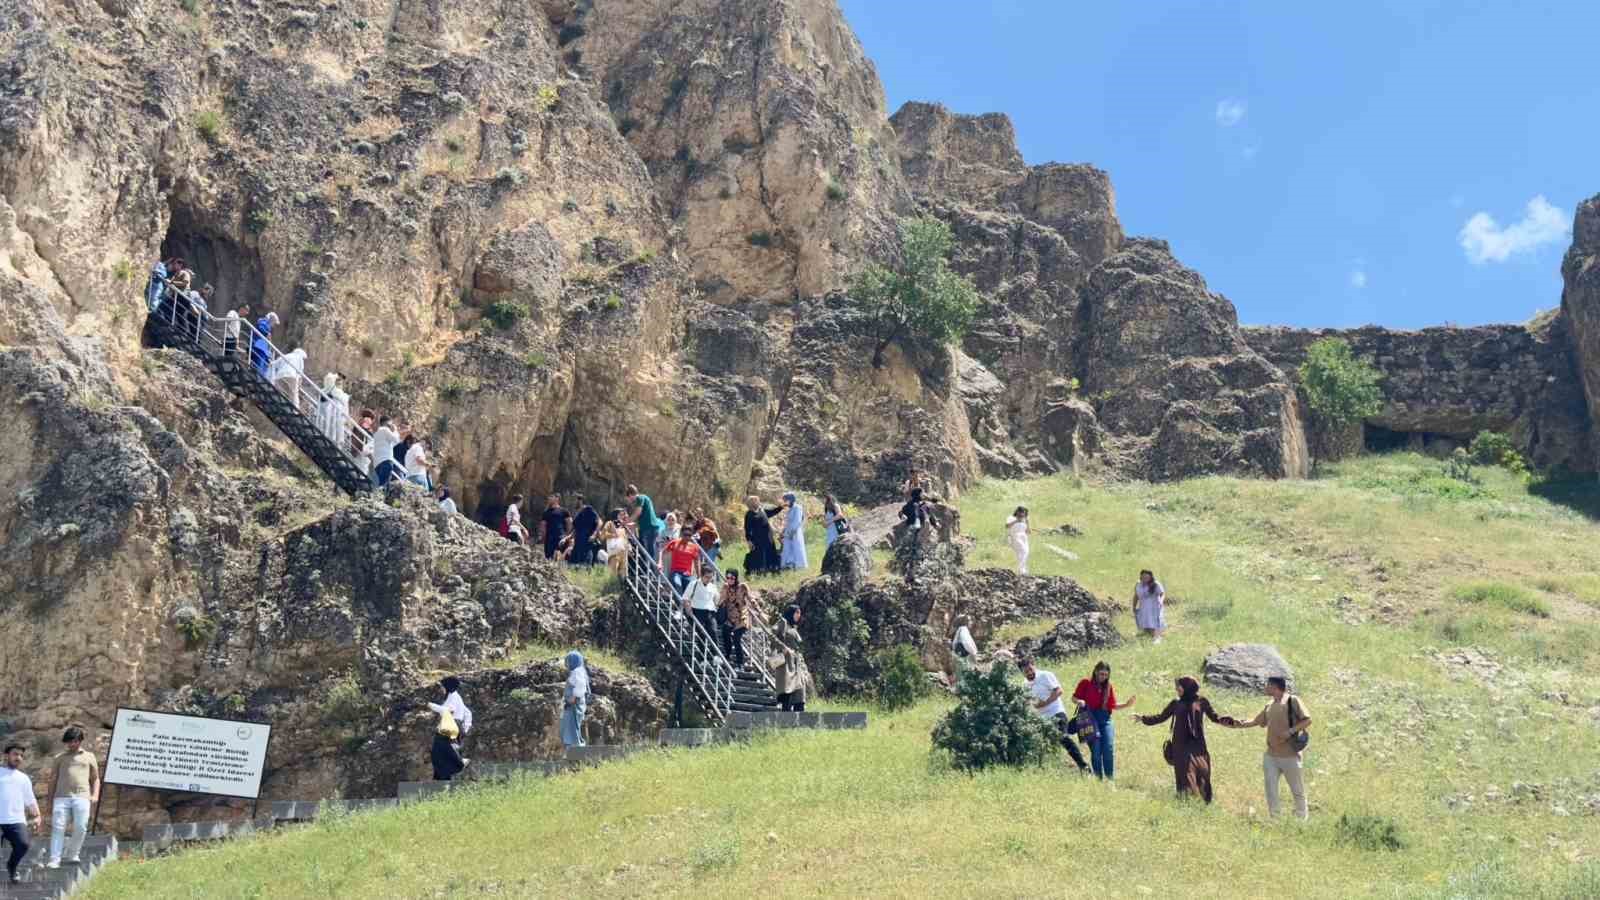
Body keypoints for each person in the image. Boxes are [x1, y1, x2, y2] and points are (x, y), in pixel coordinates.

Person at [1133, 676, 1239, 803]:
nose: (1177, 689)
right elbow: (1161, 717)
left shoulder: (1202, 701)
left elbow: (1214, 717)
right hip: (1181, 745)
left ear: (1188, 687)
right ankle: (1185, 802)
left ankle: (1204, 799)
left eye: (1179, 686)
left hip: (1197, 744)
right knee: (1184, 773)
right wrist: (1143, 719)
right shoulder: (1176, 703)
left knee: (1202, 770)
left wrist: (1226, 720)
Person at [1229, 675, 1313, 820]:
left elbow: (1308, 720)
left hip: (1290, 755)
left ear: (1275, 687)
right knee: (1271, 789)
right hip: (1271, 756)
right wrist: (1236, 723)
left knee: (1297, 790)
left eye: (1267, 685)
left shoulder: (1293, 701)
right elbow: (1256, 721)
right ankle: (1275, 819)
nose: (1265, 688)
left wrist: (1290, 732)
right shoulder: (1269, 705)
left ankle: (1301, 820)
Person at [1016, 656, 1090, 772]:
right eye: (1026, 671)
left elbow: (1059, 691)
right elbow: (1026, 700)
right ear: (1022, 672)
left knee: (1063, 738)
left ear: (1034, 665)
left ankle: (1084, 767)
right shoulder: (1025, 684)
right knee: (1039, 743)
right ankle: (1043, 769)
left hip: (1056, 713)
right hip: (1041, 719)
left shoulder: (1045, 675)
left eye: (1031, 669)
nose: (1029, 672)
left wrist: (1045, 703)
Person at [44, 724, 97, 869]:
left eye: (74, 741)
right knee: (58, 827)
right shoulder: (59, 758)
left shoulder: (89, 756)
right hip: (61, 797)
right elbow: (53, 780)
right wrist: (49, 802)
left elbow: (95, 779)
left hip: (82, 796)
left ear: (80, 741)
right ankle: (54, 859)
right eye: (69, 741)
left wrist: (95, 795)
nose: (71, 744)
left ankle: (73, 853)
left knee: (81, 827)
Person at [1072, 661, 1136, 780]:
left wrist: (1127, 704)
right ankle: (1098, 779)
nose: (1103, 677)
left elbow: (1112, 705)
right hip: (1090, 720)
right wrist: (1079, 701)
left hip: (1105, 719)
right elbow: (1074, 697)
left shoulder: (1108, 686)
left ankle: (1110, 779)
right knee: (1096, 752)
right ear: (1095, 671)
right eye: (1101, 674)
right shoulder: (1085, 683)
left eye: (1106, 674)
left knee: (1108, 748)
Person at [1, 743, 40, 884]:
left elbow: (30, 800)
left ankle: (12, 865)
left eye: (21, 756)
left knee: (23, 844)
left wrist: (37, 816)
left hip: (16, 820)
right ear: (6, 756)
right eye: (15, 754)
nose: (18, 758)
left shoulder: (23, 778)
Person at [771, 604, 807, 712]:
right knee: (787, 691)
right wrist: (783, 647)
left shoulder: (793, 627)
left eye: (800, 613)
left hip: (795, 664)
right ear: (791, 613)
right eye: (797, 612)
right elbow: (771, 634)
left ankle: (798, 721)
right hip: (786, 664)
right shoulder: (783, 622)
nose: (799, 615)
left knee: (800, 692)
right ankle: (785, 719)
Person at [681, 566, 721, 647]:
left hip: (710, 612)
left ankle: (716, 655)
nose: (709, 579)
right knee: (701, 633)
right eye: (707, 577)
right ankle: (701, 658)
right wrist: (689, 611)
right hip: (697, 611)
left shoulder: (713, 586)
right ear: (701, 575)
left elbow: (717, 600)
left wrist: (717, 606)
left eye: (711, 577)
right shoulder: (694, 584)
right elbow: (685, 598)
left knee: (713, 631)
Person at [742, 496, 782, 575]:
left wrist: (781, 507)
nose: (759, 502)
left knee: (770, 553)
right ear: (752, 503)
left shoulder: (762, 510)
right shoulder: (749, 514)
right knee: (759, 556)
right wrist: (749, 541)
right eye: (757, 501)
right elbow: (747, 529)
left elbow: (772, 512)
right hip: (758, 539)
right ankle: (759, 572)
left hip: (768, 537)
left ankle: (772, 570)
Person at [720, 570, 753, 667]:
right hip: (731, 617)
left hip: (742, 617)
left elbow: (751, 598)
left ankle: (740, 663)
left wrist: (759, 611)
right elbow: (721, 600)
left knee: (736, 638)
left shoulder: (742, 586)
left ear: (736, 578)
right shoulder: (725, 587)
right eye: (728, 578)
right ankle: (727, 655)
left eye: (732, 578)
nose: (730, 580)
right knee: (724, 632)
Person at [661, 525, 705, 596]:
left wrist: (699, 576)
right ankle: (680, 604)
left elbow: (697, 562)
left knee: (688, 592)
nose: (687, 537)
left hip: (687, 574)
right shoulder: (675, 542)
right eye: (685, 535)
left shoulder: (694, 547)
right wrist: (660, 563)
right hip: (675, 572)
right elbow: (662, 551)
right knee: (677, 584)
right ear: (681, 534)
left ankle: (680, 605)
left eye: (689, 535)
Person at [625, 485, 663, 561]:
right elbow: (642, 517)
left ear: (630, 495)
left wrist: (626, 522)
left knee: (649, 552)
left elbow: (638, 512)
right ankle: (648, 569)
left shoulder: (640, 498)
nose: (628, 501)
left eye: (628, 498)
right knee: (646, 551)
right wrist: (633, 524)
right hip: (647, 528)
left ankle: (651, 570)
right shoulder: (642, 500)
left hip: (650, 528)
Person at [561, 651, 590, 749]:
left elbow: (580, 686)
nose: (567, 664)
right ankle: (572, 749)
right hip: (571, 705)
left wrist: (573, 697)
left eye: (568, 661)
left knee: (572, 727)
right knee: (569, 727)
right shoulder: (576, 672)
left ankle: (576, 749)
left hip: (574, 705)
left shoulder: (577, 672)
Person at [1133, 569, 1166, 643]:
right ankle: (1147, 637)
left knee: (1153, 622)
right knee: (1145, 623)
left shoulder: (1155, 584)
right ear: (1141, 577)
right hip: (1143, 607)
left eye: (1147, 577)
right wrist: (1134, 606)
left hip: (1154, 607)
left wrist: (1161, 600)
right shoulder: (1138, 584)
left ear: (1151, 577)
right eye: (1143, 577)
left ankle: (1157, 638)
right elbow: (1136, 596)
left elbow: (1162, 593)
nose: (1145, 579)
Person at [778, 492, 808, 570]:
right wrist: (784, 531)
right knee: (787, 548)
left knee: (796, 547)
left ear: (790, 500)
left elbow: (797, 521)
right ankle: (789, 564)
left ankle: (798, 565)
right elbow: (788, 522)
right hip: (788, 532)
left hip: (795, 532)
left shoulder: (798, 508)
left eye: (785, 500)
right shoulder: (790, 510)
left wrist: (791, 532)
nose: (784, 502)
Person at [370, 416, 402, 486]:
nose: (391, 426)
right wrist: (395, 430)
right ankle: (379, 496)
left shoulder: (376, 433)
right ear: (385, 423)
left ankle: (378, 495)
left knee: (381, 483)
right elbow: (396, 440)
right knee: (384, 485)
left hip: (377, 463)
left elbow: (393, 443)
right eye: (390, 424)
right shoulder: (385, 429)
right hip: (386, 461)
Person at [538, 494, 570, 560]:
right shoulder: (546, 512)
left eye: (551, 497)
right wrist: (542, 537)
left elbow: (569, 523)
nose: (549, 498)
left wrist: (567, 536)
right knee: (549, 558)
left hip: (561, 537)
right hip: (549, 538)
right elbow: (543, 526)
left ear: (557, 498)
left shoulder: (564, 511)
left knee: (564, 557)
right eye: (549, 497)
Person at [569, 495, 599, 566]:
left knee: (584, 565)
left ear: (580, 501)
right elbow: (575, 530)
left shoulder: (588, 509)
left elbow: (599, 522)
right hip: (577, 544)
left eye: (574, 500)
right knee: (573, 565)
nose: (573, 502)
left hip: (586, 542)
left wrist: (594, 535)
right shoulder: (577, 515)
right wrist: (567, 538)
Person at [250, 311, 279, 376]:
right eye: (274, 323)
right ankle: (259, 375)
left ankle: (261, 375)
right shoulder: (263, 322)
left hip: (263, 348)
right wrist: (267, 333)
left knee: (264, 362)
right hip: (259, 346)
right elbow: (261, 328)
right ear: (271, 319)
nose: (274, 325)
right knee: (259, 363)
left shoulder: (266, 324)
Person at [1006, 506, 1030, 575]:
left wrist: (1027, 523)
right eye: (1021, 513)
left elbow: (1028, 531)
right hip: (1014, 536)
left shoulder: (1025, 519)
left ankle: (1022, 570)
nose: (1022, 515)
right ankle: (1022, 570)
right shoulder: (1011, 518)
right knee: (1023, 551)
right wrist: (1016, 521)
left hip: (1024, 537)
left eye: (1024, 514)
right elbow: (1007, 526)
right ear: (1017, 512)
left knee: (1025, 552)